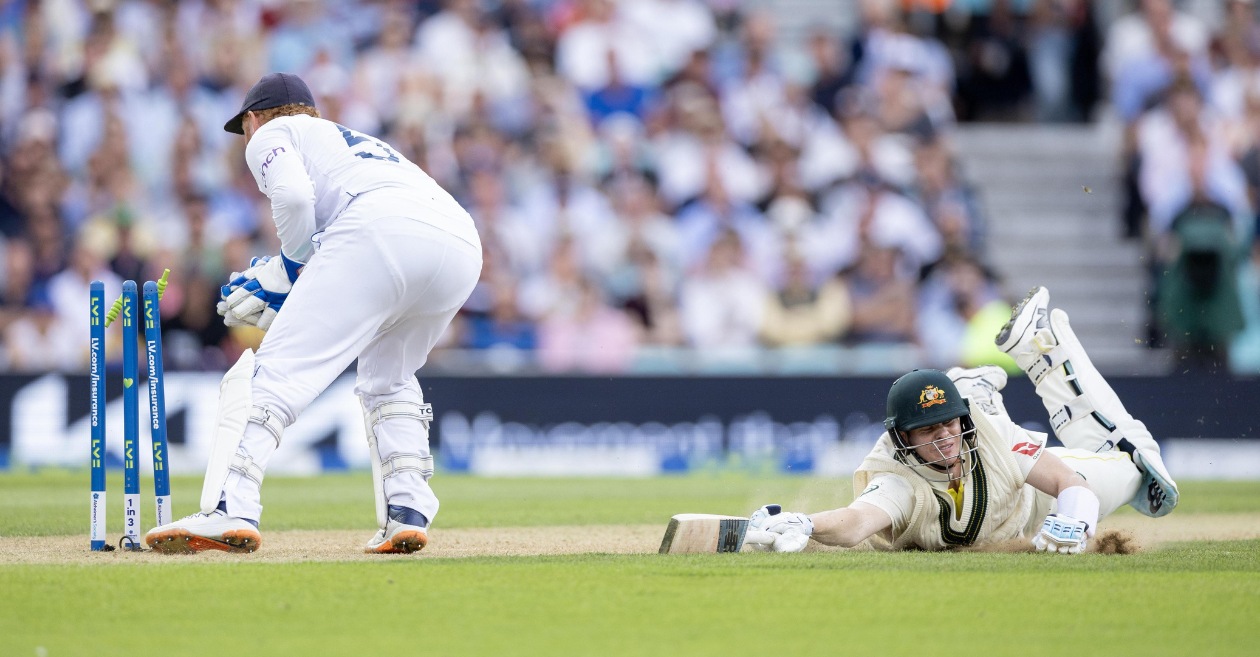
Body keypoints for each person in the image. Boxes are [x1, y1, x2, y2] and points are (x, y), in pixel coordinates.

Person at [144, 73, 483, 554]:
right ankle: (407, 509)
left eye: (243, 127)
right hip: (460, 242)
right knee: (389, 377)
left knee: (276, 371)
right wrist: (298, 273)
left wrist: (289, 266)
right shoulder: (350, 141)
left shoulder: (271, 134)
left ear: (252, 118)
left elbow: (294, 198)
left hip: (381, 228)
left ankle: (230, 507)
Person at [747, 286, 1180, 554]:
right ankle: (974, 385)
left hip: (1032, 502)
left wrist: (1074, 518)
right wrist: (807, 523)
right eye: (928, 429)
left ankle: (1031, 355)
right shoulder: (896, 476)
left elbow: (1070, 484)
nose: (944, 436)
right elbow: (857, 521)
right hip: (1005, 520)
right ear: (901, 438)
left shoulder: (988, 433)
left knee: (1136, 469)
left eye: (949, 422)